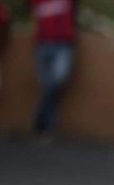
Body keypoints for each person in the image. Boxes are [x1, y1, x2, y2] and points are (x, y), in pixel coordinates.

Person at [29, 0, 78, 138]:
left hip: (64, 43)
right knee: (46, 83)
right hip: (43, 43)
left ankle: (41, 116)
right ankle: (47, 123)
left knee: (58, 79)